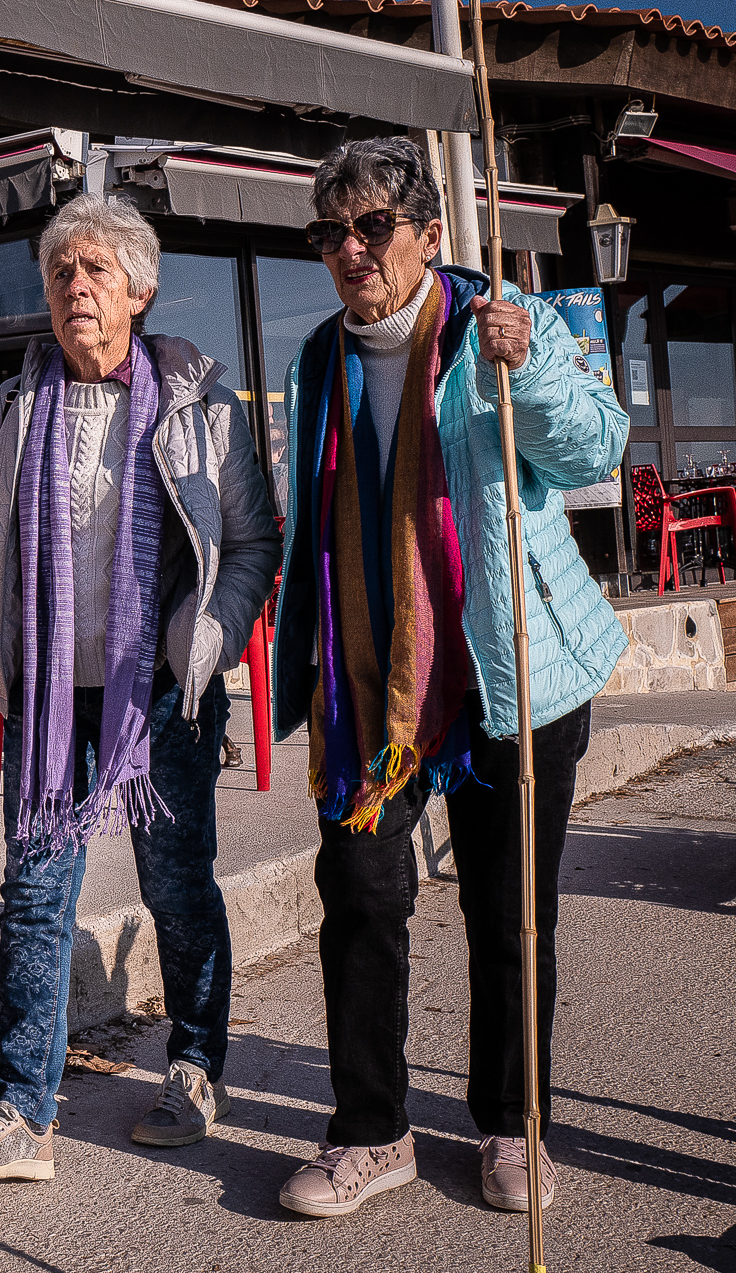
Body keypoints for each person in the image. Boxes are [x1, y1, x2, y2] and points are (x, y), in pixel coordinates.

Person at [0, 194, 280, 1177]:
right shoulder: (17, 409)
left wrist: (203, 631)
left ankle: (191, 1063)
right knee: (34, 894)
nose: (74, 288)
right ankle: (21, 1109)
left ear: (137, 290)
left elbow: (251, 542)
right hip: (50, 699)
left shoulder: (197, 403)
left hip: (161, 698)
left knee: (174, 887)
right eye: (60, 273)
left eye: (94, 271)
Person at [268, 138, 627, 1218]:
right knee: (357, 895)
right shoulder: (315, 361)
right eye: (328, 231)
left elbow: (594, 447)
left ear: (427, 233)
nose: (347, 248)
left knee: (507, 912)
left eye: (369, 225)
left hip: (510, 666)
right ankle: (372, 1131)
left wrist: (534, 375)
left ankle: (512, 1127)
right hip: (379, 688)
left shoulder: (498, 327)